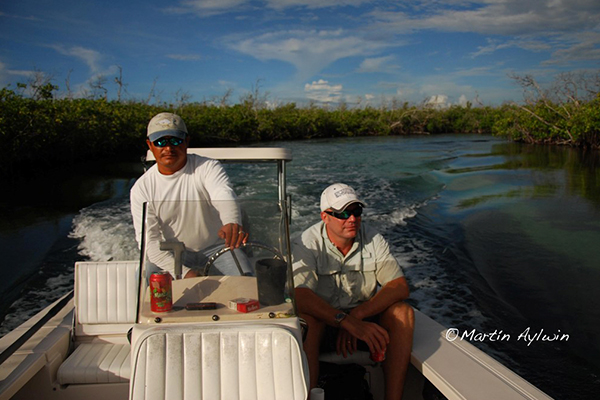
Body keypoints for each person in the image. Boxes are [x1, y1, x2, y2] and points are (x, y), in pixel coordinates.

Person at [292, 183, 414, 400]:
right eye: (343, 213)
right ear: (325, 216)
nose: (352, 219)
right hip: (325, 324)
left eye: (356, 211)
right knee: (308, 321)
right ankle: (309, 395)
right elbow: (300, 296)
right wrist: (344, 321)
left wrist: (357, 317)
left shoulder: (373, 238)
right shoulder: (307, 243)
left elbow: (399, 286)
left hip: (362, 321)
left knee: (402, 313)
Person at [130, 112, 250, 279]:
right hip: (172, 251)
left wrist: (231, 221)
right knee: (145, 281)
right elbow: (149, 244)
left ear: (186, 141)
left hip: (217, 248)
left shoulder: (208, 167)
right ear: (150, 145)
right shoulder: (141, 189)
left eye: (175, 140)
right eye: (160, 142)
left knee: (247, 284)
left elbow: (223, 193)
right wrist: (186, 274)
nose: (168, 148)